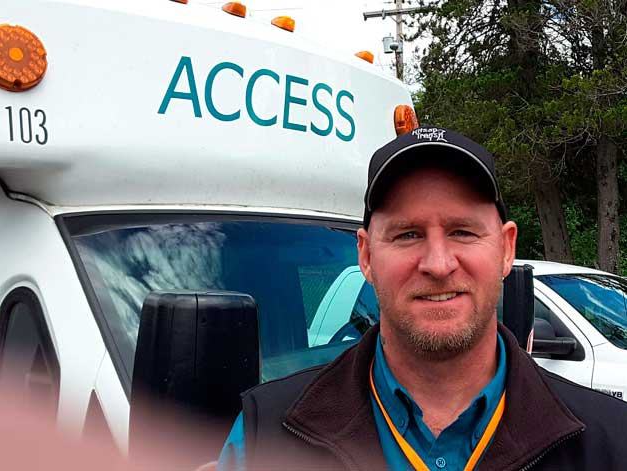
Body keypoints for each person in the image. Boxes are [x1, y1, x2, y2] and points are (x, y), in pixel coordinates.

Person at [218, 127, 627, 470]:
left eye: (463, 231)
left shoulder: (611, 443)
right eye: (407, 234)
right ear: (366, 255)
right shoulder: (264, 438)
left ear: (505, 249)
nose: (437, 263)